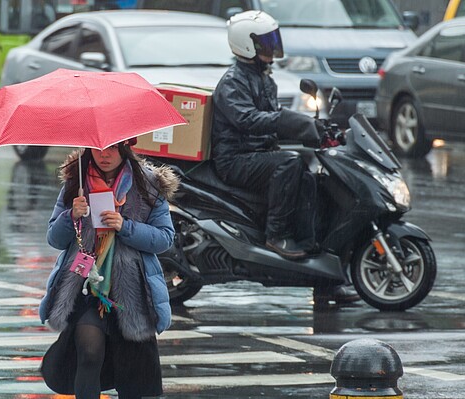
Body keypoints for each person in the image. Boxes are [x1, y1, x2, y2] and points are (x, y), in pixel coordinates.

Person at [211, 10, 359, 302]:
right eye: (265, 41)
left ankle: (320, 268)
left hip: (258, 154)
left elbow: (273, 121)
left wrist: (316, 130)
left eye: (272, 40)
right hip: (235, 160)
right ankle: (275, 236)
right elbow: (249, 120)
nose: (272, 46)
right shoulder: (233, 82)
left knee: (313, 176)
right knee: (289, 163)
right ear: (247, 44)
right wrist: (290, 121)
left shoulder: (265, 78)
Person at [39, 139, 178, 398]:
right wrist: (71, 216)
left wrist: (125, 227)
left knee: (134, 376)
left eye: (112, 148)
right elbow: (54, 239)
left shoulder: (148, 184)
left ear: (125, 148)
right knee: (88, 354)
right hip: (88, 287)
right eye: (98, 148)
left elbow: (164, 238)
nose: (104, 155)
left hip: (132, 292)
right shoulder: (76, 182)